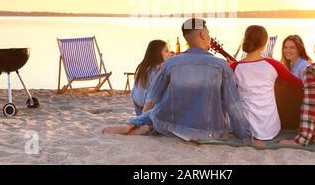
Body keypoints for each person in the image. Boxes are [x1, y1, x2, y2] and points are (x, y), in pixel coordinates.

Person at [103, 18, 253, 144]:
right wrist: (245, 135)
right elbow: (233, 104)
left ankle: (135, 124)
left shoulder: (171, 63)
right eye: (208, 33)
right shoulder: (221, 65)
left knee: (161, 107)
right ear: (202, 34)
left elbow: (154, 97)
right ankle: (144, 126)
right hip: (209, 131)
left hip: (172, 126)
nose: (209, 37)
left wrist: (143, 118)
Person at [230, 25, 304, 141]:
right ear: (264, 44)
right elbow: (299, 84)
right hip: (271, 128)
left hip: (246, 128)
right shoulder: (274, 64)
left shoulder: (235, 67)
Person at [130, 40, 171, 116]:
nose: (169, 54)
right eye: (166, 51)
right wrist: (141, 119)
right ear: (158, 53)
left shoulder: (145, 67)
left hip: (137, 105)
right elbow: (150, 99)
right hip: (146, 108)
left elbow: (134, 93)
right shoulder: (157, 71)